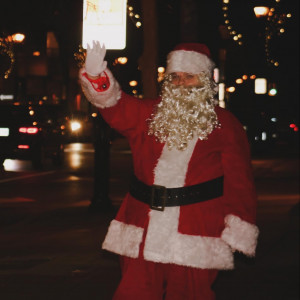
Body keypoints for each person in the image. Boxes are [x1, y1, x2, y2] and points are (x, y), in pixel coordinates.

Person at [79, 41, 259, 300]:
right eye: (175, 77)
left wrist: (239, 225)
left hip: (197, 229)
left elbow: (239, 181)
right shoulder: (147, 114)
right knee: (133, 293)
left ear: (205, 81)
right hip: (142, 224)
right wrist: (96, 78)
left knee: (190, 294)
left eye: (189, 77)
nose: (181, 83)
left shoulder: (225, 124)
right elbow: (116, 107)